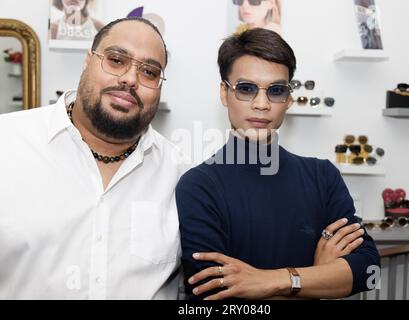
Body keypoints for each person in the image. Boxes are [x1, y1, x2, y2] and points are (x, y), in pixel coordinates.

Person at [176, 28, 380, 300]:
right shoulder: (198, 186)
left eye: (276, 91)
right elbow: (216, 297)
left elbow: (368, 272)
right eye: (246, 89)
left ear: (288, 100)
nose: (262, 104)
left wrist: (272, 281)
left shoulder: (322, 176)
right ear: (224, 94)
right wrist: (317, 276)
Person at [0, 17, 185, 299]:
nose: (130, 79)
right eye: (116, 60)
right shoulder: (8, 144)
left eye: (149, 72)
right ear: (88, 60)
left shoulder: (180, 174)